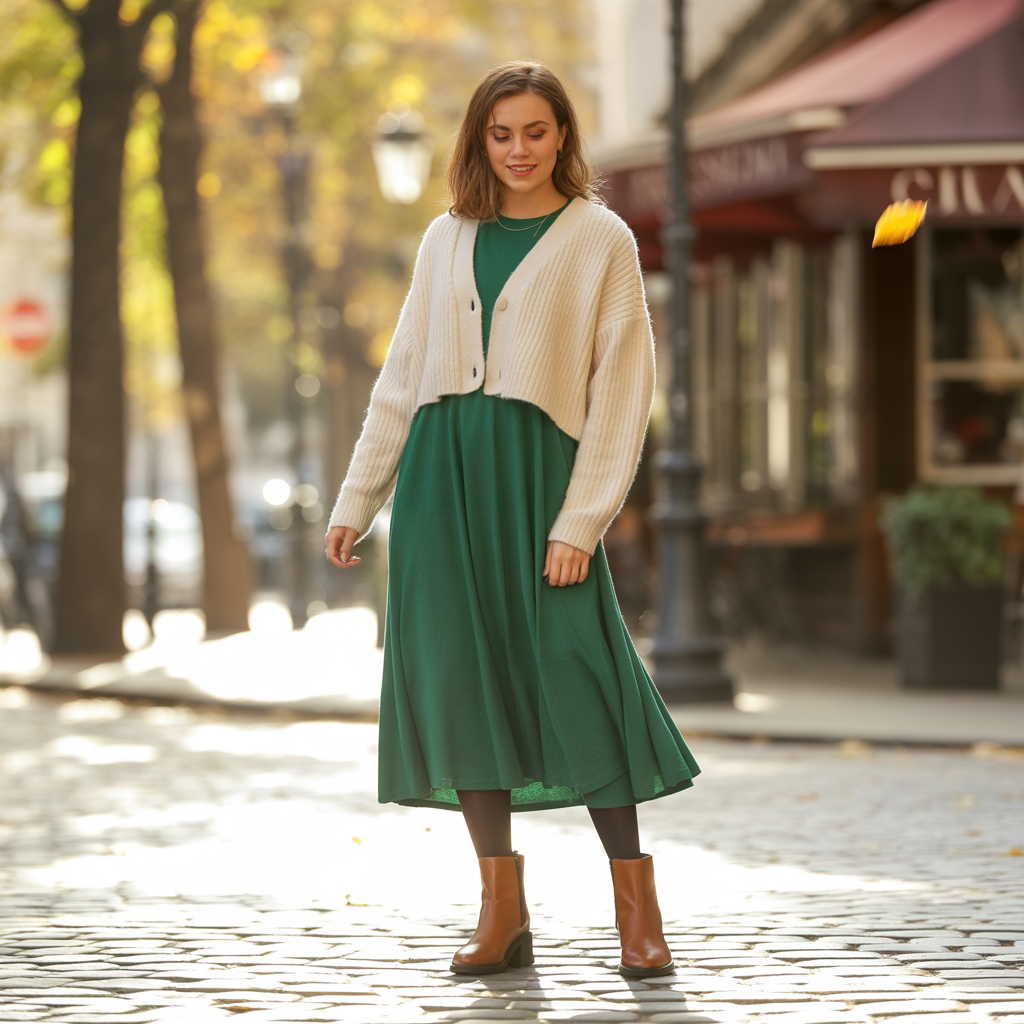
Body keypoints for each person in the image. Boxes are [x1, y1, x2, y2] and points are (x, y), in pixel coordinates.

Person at [325, 60, 701, 979]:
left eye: (536, 132)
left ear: (563, 136)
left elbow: (623, 394)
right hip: (441, 491)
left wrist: (582, 521)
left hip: (539, 487)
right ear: (478, 142)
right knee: (464, 682)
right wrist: (358, 500)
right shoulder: (445, 238)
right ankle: (502, 911)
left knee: (582, 676)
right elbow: (403, 379)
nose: (519, 150)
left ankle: (635, 911)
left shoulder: (600, 238)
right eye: (502, 135)